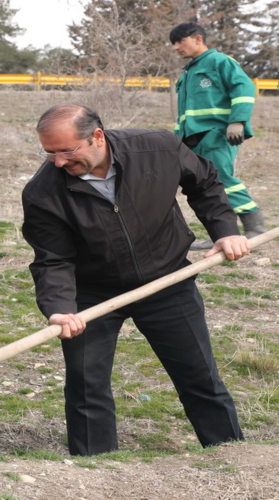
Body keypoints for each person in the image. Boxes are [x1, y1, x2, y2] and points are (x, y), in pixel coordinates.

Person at [22, 103, 249, 456]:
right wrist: (60, 309)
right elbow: (53, 260)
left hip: (167, 279)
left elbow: (204, 184)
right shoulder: (43, 192)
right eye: (49, 153)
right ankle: (95, 468)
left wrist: (224, 231)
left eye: (67, 151)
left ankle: (233, 457)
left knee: (199, 375)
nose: (58, 162)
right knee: (86, 385)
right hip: (91, 295)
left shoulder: (157, 148)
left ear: (97, 136)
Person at [170, 22, 265, 249]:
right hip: (192, 139)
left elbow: (244, 88)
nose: (175, 47)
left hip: (217, 136)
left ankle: (255, 227)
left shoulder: (219, 62)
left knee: (222, 181)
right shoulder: (188, 72)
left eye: (179, 41)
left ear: (198, 39)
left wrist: (237, 121)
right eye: (173, 43)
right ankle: (220, 235)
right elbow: (187, 113)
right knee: (203, 187)